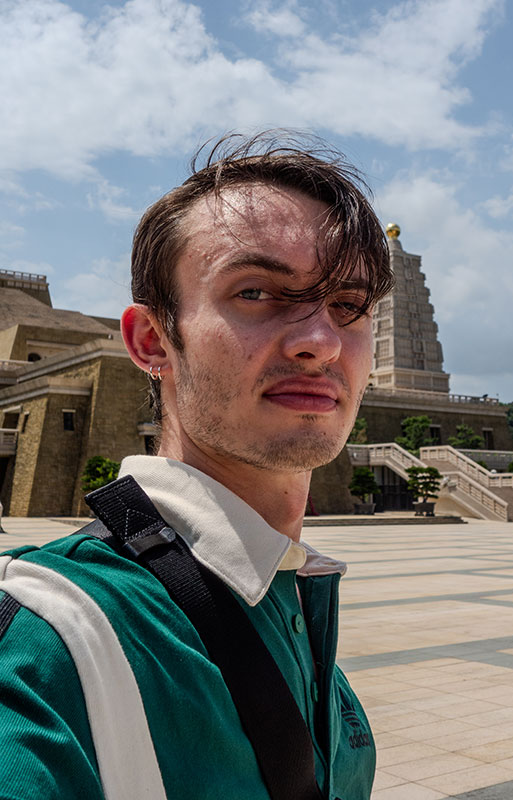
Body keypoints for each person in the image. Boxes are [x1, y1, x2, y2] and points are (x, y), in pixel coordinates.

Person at [0, 131, 393, 799]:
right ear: (153, 341)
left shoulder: (294, 594)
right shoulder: (50, 639)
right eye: (257, 293)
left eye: (348, 305)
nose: (322, 342)